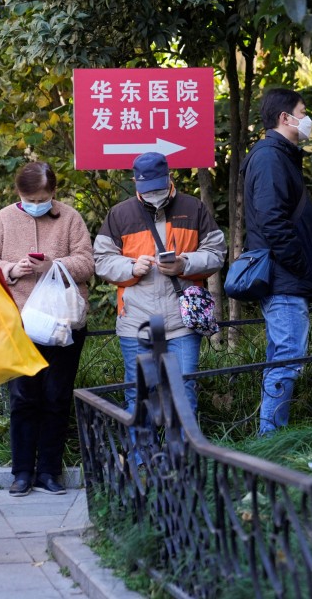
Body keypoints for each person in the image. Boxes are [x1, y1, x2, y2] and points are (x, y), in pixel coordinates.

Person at [0, 161, 94, 497]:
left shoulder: (70, 217)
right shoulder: (3, 220)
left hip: (65, 324)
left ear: (53, 192)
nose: (36, 203)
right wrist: (12, 268)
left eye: (43, 197)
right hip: (19, 322)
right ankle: (22, 472)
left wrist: (53, 265)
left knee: (57, 397)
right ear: (19, 193)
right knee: (23, 398)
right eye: (30, 198)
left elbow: (87, 263)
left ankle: (50, 472)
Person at [94, 152, 227, 440]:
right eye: (147, 188)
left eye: (158, 186)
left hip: (182, 321)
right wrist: (132, 266)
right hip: (136, 321)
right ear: (135, 182)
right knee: (140, 394)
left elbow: (217, 253)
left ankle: (184, 464)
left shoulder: (194, 209)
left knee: (184, 390)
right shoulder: (120, 214)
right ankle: (143, 463)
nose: (153, 193)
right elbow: (102, 261)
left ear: (170, 178)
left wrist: (184, 264)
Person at [242, 89, 312, 435]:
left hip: (285, 276)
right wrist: (300, 266)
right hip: (284, 278)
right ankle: (270, 442)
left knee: (282, 359)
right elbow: (272, 221)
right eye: (303, 112)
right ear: (284, 118)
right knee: (288, 360)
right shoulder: (270, 158)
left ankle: (270, 439)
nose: (307, 119)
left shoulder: (278, 156)